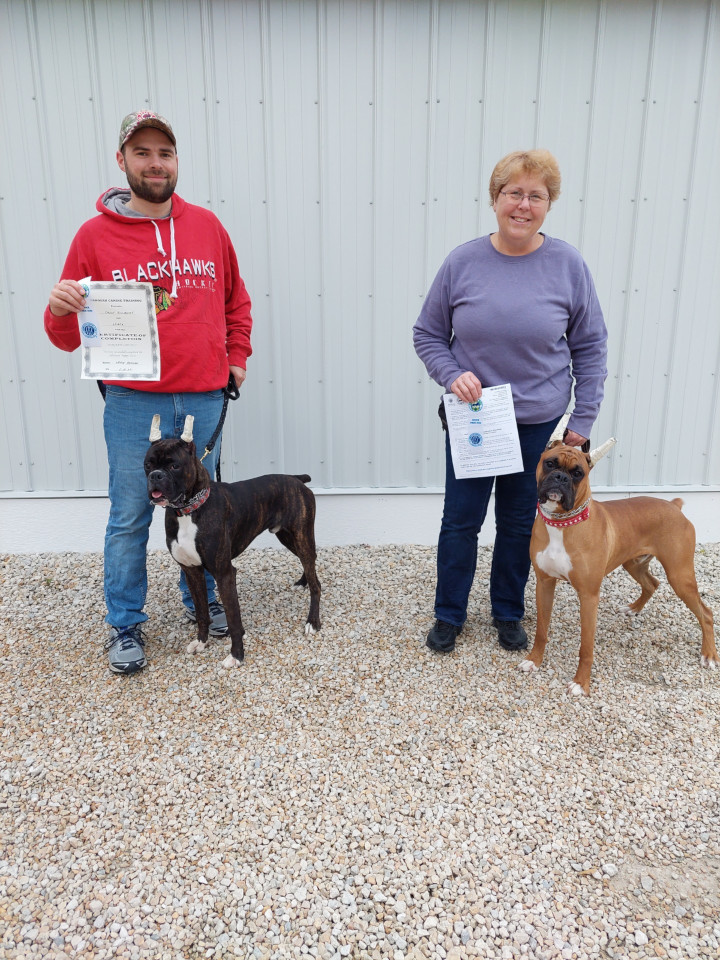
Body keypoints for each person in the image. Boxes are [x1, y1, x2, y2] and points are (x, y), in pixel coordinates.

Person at [44, 110, 253, 675]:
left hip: (205, 398)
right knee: (132, 513)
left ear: (176, 160)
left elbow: (237, 300)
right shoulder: (93, 237)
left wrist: (236, 359)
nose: (155, 163)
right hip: (134, 401)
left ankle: (201, 598)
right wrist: (59, 310)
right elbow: (66, 335)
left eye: (165, 152)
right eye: (142, 153)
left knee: (206, 508)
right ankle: (125, 624)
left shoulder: (208, 227)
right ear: (122, 161)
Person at [413, 149, 607, 654]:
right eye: (513, 193)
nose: (523, 204)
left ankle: (507, 611)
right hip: (476, 420)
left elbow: (590, 347)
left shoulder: (567, 265)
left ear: (549, 204)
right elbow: (428, 334)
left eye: (535, 195)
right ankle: (449, 613)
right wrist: (452, 374)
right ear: (495, 199)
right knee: (461, 519)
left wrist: (582, 420)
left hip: (537, 427)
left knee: (521, 522)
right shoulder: (463, 262)